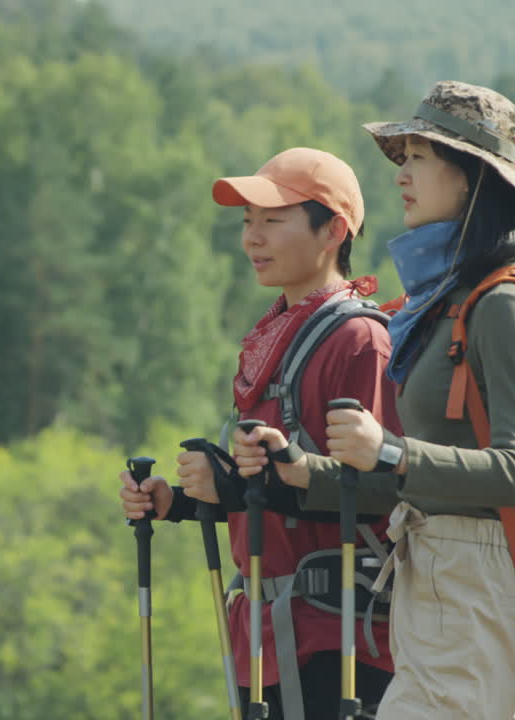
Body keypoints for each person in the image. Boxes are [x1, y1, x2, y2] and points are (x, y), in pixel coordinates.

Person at [120, 147, 402, 719]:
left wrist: (265, 479)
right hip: (267, 642)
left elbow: (386, 489)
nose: (253, 238)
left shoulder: (359, 341)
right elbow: (270, 489)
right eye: (248, 222)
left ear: (334, 232)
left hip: (339, 645)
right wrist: (182, 500)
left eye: (273, 221)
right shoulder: (276, 338)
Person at [321, 80, 515, 719]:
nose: (402, 173)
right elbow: (417, 476)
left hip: (475, 583)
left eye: (420, 156)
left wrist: (391, 453)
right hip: (436, 573)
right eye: (402, 157)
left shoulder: (506, 303)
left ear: (470, 178)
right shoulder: (445, 303)